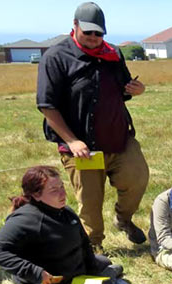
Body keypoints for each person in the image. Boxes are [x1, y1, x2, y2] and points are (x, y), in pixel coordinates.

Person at [37, 2, 149, 254]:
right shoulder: (56, 57)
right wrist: (72, 140)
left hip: (119, 138)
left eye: (98, 33)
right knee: (90, 202)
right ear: (74, 26)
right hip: (81, 147)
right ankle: (94, 247)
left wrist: (136, 89)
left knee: (137, 179)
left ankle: (123, 220)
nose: (93, 38)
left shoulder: (113, 54)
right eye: (88, 32)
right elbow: (46, 105)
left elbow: (123, 88)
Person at [0, 166, 123, 284]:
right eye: (54, 190)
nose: (62, 193)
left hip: (71, 271)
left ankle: (99, 278)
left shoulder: (65, 211)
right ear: (36, 195)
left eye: (62, 187)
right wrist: (35, 273)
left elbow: (84, 243)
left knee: (103, 261)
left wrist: (92, 271)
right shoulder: (26, 219)